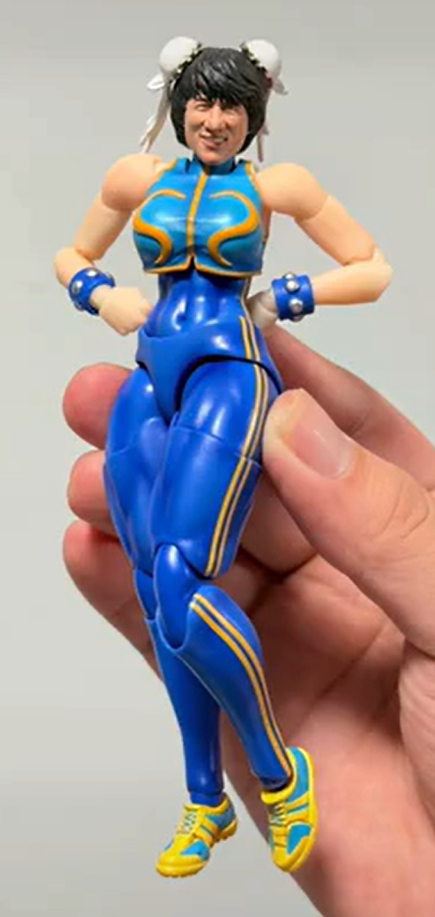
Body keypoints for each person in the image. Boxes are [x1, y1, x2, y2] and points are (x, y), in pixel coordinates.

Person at [54, 37, 391, 879]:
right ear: (178, 108)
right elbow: (72, 253)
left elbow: (370, 267)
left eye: (232, 107)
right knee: (152, 592)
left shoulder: (276, 186)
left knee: (179, 574)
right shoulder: (138, 178)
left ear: (254, 113)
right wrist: (100, 293)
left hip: (228, 370)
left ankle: (278, 773)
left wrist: (291, 295)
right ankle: (204, 797)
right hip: (151, 373)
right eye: (201, 105)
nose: (214, 121)